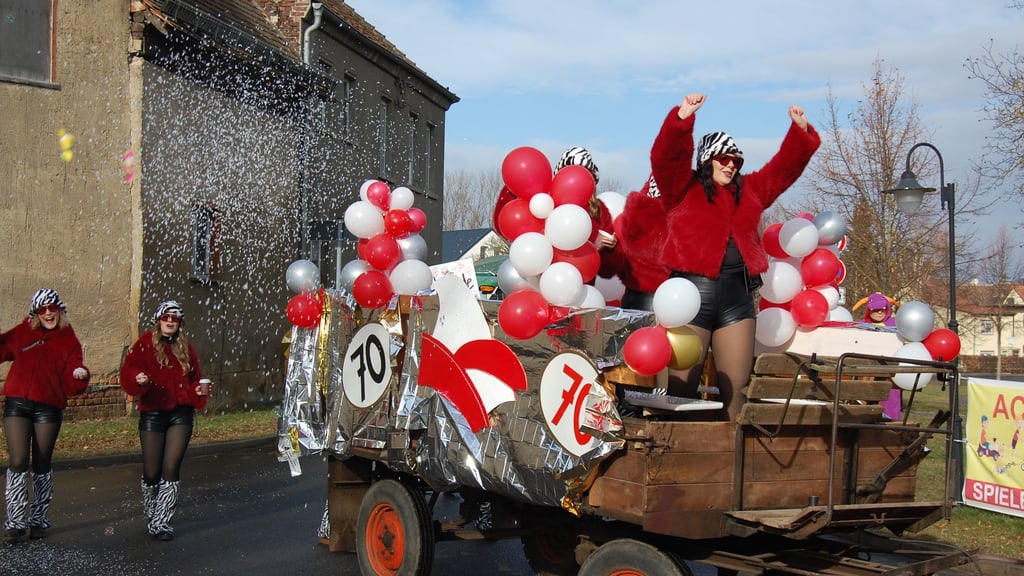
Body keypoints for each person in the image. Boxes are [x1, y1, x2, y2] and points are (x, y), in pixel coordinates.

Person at [624, 93, 821, 420]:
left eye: (737, 160)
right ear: (707, 159)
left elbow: (782, 171)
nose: (732, 164)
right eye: (725, 158)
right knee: (681, 394)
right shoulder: (682, 188)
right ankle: (678, 464)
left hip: (737, 299)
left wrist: (800, 134)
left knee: (737, 395)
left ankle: (730, 466)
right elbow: (665, 159)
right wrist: (682, 120)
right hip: (690, 296)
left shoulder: (751, 191)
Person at [1, 289, 91, 543]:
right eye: (43, 310)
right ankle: (16, 523)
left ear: (60, 311)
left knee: (41, 462)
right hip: (17, 404)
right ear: (36, 314)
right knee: (18, 461)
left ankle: (39, 519)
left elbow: (74, 374)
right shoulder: (22, 333)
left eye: (53, 309)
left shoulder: (69, 340)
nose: (48, 313)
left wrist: (79, 375)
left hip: (48, 408)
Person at [119, 300, 209, 540]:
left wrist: (198, 392)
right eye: (166, 317)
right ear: (158, 321)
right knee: (151, 471)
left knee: (171, 467)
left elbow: (195, 381)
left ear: (180, 323)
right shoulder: (144, 344)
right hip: (153, 413)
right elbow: (128, 371)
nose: (170, 321)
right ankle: (153, 511)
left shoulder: (186, 349)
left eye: (175, 318)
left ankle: (162, 522)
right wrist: (136, 377)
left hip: (181, 414)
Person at [852, 292, 903, 419]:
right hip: (867, 369)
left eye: (883, 309)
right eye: (876, 309)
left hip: (889, 369)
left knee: (891, 393)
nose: (880, 312)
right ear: (869, 310)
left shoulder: (896, 324)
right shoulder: (861, 326)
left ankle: (890, 419)